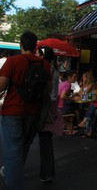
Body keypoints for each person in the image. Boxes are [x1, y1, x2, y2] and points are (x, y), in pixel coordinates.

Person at [0, 31, 51, 189]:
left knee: (12, 149)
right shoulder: (45, 65)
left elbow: (1, 86)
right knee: (24, 145)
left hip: (12, 111)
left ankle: (14, 183)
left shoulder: (13, 61)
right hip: (33, 112)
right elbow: (47, 89)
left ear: (21, 45)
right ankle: (14, 174)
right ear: (35, 46)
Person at [36, 46, 61, 183]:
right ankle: (47, 173)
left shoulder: (45, 69)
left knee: (25, 138)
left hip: (42, 106)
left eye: (38, 54)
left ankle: (14, 168)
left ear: (42, 55)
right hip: (52, 107)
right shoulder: (55, 69)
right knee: (46, 140)